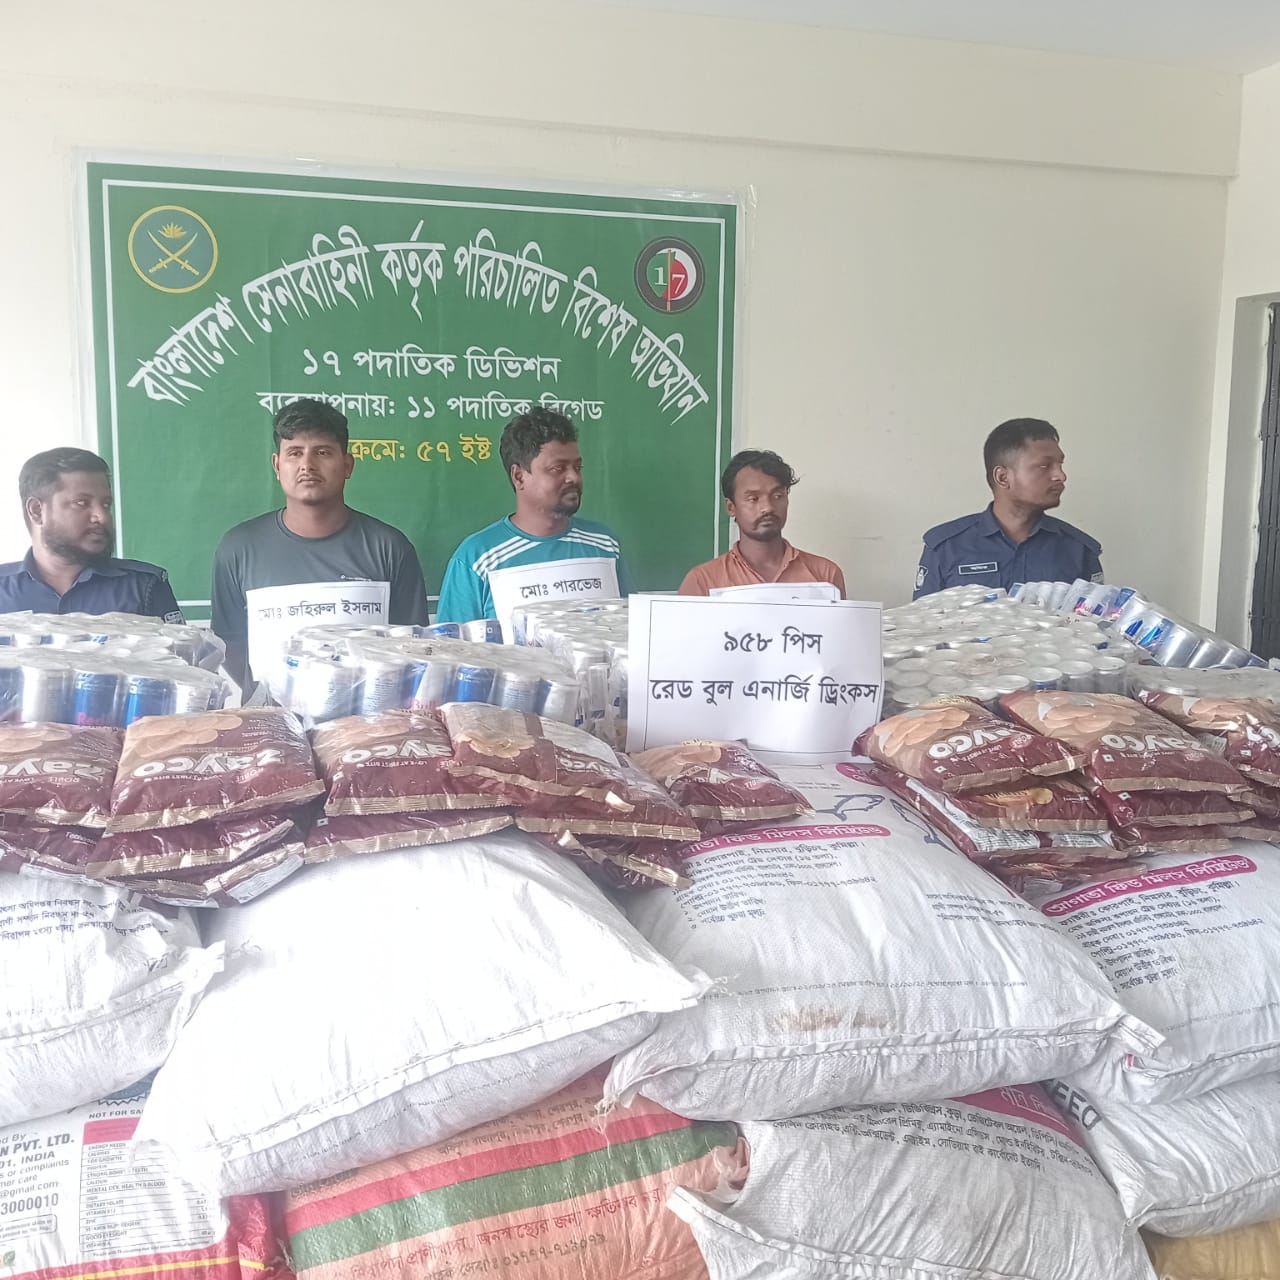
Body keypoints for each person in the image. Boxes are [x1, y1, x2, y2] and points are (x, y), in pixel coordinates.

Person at [212, 398, 429, 688]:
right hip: (270, 713)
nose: (307, 465)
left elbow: (412, 648)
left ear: (347, 465)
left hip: (368, 715)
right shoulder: (238, 548)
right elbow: (230, 645)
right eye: (294, 453)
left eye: (322, 452)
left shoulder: (389, 548)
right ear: (277, 465)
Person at [435, 407, 635, 623]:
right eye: (558, 469)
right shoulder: (477, 559)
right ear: (519, 476)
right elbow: (452, 641)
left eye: (578, 467)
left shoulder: (604, 545)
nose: (573, 478)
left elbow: (632, 628)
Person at [913, 418, 1102, 598]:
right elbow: (923, 618)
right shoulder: (946, 548)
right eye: (1045, 466)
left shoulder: (1079, 551)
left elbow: (1096, 617)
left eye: (1060, 464)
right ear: (1003, 477)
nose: (1060, 475)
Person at [0, 448, 183, 620]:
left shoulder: (144, 587)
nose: (101, 517)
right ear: (37, 511)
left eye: (106, 504)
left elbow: (180, 644)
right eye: (81, 503)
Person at [679, 449, 846, 596]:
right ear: (731, 507)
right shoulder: (703, 581)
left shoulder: (825, 575)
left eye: (777, 496)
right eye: (753, 498)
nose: (767, 507)